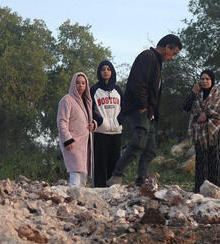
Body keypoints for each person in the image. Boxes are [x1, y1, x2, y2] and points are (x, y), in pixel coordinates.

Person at [106, 34, 183, 187]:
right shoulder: (147, 57)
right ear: (167, 47)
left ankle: (142, 181)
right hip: (138, 109)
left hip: (149, 113)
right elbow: (138, 83)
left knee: (151, 149)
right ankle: (116, 175)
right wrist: (142, 106)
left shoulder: (157, 62)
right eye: (174, 53)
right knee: (139, 142)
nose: (173, 58)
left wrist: (152, 111)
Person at [182, 69, 220, 195]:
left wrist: (207, 114)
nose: (204, 81)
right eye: (202, 79)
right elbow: (186, 107)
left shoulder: (219, 92)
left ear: (212, 80)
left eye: (207, 79)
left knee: (216, 163)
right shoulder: (197, 94)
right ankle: (201, 192)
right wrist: (193, 92)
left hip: (216, 131)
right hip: (200, 133)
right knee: (202, 163)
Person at [57, 72, 96, 187]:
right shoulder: (66, 100)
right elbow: (61, 121)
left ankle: (80, 201)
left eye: (83, 83)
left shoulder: (87, 102)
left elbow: (91, 118)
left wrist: (93, 124)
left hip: (85, 143)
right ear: (73, 84)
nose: (80, 85)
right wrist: (67, 139)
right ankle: (73, 196)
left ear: (86, 85)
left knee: (83, 174)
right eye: (77, 83)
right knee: (75, 172)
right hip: (72, 142)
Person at [90, 60, 123, 188]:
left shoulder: (118, 90)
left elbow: (124, 108)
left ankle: (113, 190)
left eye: (108, 69)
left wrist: (118, 121)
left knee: (114, 163)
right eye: (103, 69)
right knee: (100, 163)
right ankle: (98, 189)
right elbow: (90, 109)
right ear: (99, 72)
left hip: (116, 131)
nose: (106, 71)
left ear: (112, 72)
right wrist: (100, 121)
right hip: (100, 132)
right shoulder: (94, 89)